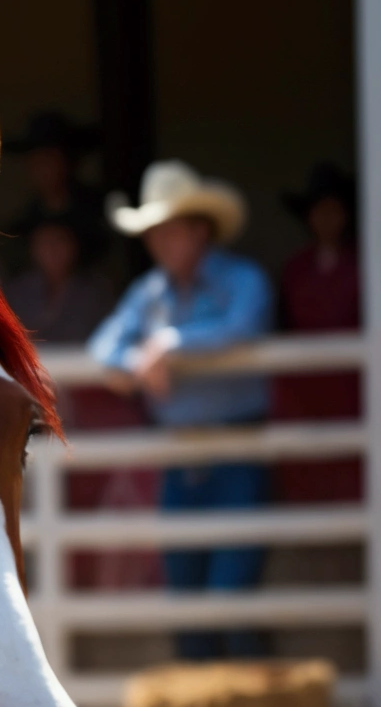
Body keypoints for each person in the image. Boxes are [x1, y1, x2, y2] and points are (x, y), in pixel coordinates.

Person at [88, 160, 273, 659]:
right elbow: (103, 344)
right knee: (186, 605)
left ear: (200, 229)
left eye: (168, 230)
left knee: (231, 599)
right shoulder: (150, 293)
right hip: (179, 459)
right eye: (153, 233)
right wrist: (133, 360)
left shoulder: (242, 280)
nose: (159, 243)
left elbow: (245, 325)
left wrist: (171, 345)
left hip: (237, 449)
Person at [274, 162, 361, 505]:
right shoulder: (296, 268)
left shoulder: (364, 264)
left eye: (334, 210)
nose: (326, 219)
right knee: (308, 467)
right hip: (306, 387)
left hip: (352, 385)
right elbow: (283, 326)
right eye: (318, 211)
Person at [4, 109, 110, 277]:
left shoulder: (99, 213)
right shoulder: (26, 220)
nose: (42, 168)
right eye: (35, 161)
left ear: (68, 161)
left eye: (49, 159)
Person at [3, 217, 114, 345]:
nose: (51, 250)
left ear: (74, 246)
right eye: (44, 243)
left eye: (59, 241)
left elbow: (106, 338)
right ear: (33, 248)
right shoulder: (17, 292)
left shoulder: (96, 293)